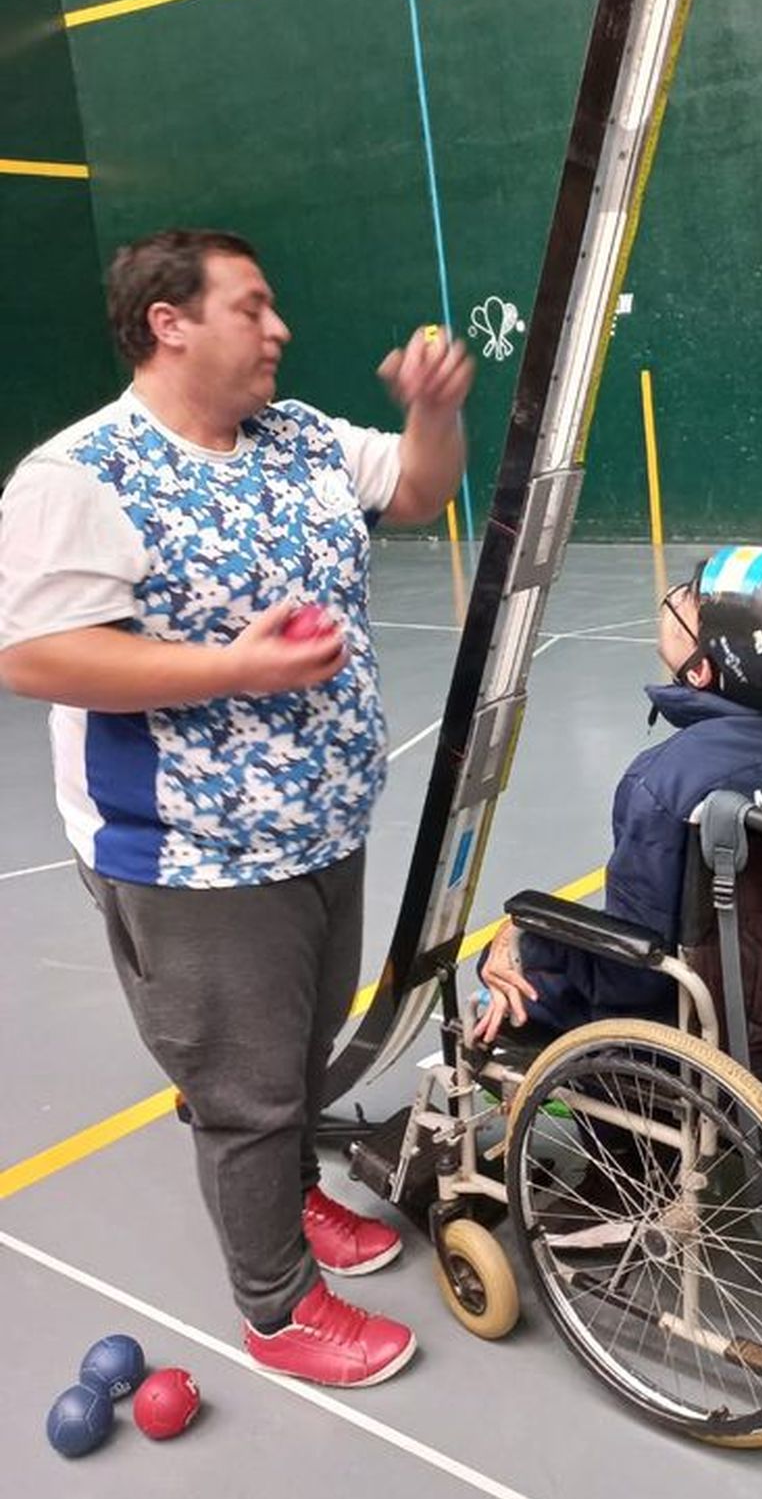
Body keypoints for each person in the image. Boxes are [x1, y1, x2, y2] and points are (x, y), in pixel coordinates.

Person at [0, 228, 473, 1389]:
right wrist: (234, 668)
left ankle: (295, 1197)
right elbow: (36, 655)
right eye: (254, 308)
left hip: (326, 821)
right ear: (170, 321)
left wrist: (432, 411)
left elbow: (417, 488)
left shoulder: (301, 436)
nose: (281, 330)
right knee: (247, 1090)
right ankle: (276, 1306)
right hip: (192, 858)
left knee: (300, 1052)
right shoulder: (80, 476)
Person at [477, 542, 762, 1083]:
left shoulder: (664, 782)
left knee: (500, 973)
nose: (677, 597)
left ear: (701, 672)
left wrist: (520, 938)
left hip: (705, 1030)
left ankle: (615, 1141)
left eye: (692, 603)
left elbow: (632, 973)